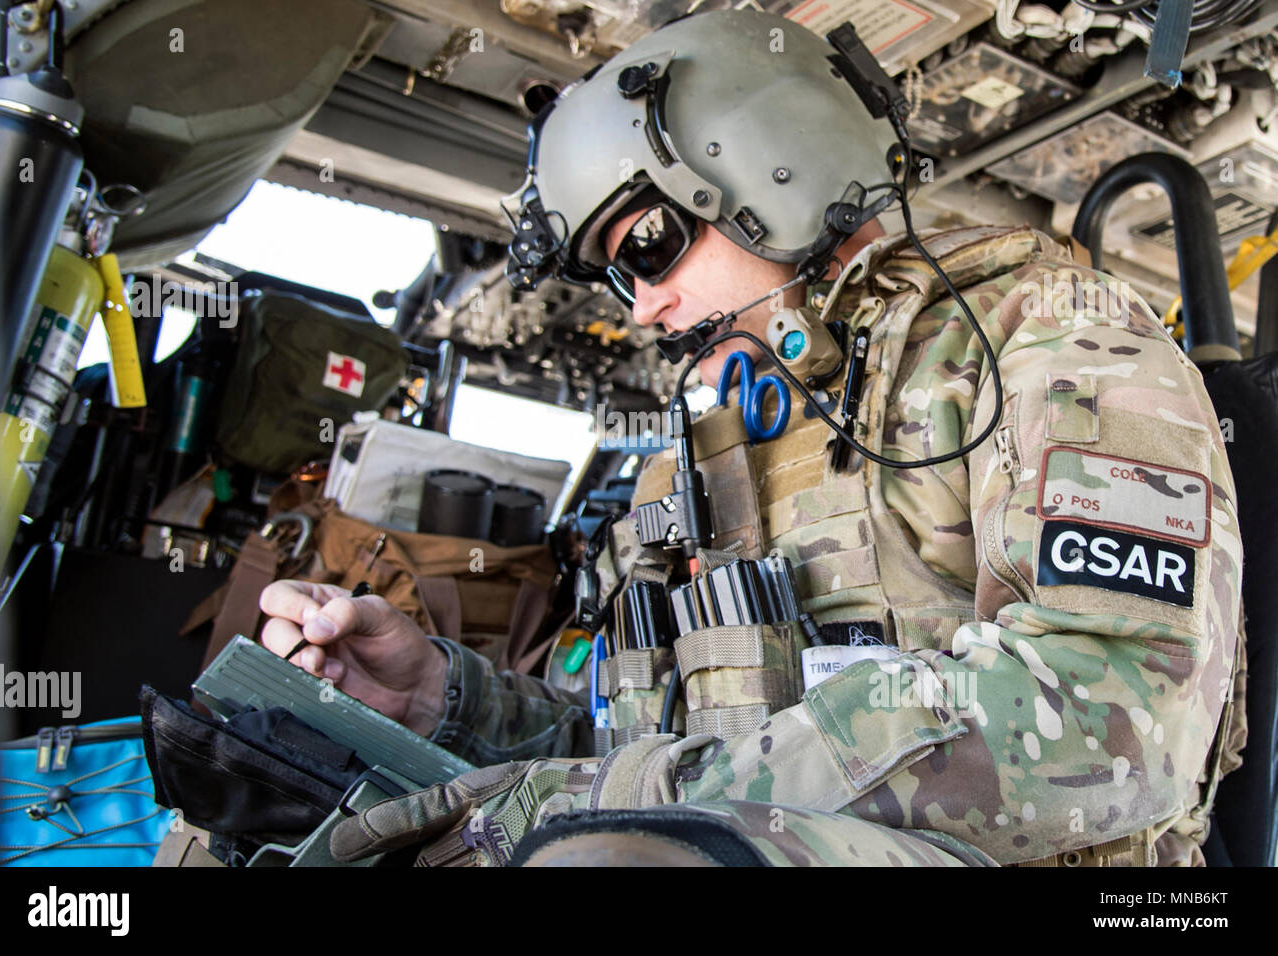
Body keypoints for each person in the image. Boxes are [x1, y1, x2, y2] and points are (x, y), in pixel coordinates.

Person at [258, 9, 1244, 867]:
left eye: (645, 245)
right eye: (615, 279)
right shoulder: (709, 453)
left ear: (774, 160)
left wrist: (637, 806)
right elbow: (664, 745)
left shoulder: (1050, 337)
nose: (643, 308)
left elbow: (1117, 720)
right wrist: (441, 698)